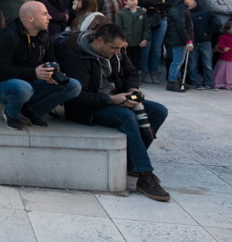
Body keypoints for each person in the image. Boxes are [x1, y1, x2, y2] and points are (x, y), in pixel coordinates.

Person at [60, 23, 170, 201]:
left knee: (159, 111)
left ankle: (133, 163)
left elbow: (131, 73)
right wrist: (111, 100)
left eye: (120, 48)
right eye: (114, 48)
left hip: (117, 98)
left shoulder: (117, 53)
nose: (118, 52)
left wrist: (132, 90)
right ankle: (144, 174)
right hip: (88, 108)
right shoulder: (77, 56)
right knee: (127, 116)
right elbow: (76, 98)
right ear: (100, 40)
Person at [0, 0, 82, 128]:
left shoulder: (44, 36)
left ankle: (32, 111)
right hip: (5, 85)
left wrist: (53, 74)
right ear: (30, 18)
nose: (50, 17)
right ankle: (12, 115)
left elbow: (50, 60)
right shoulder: (7, 37)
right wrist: (33, 73)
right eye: (44, 14)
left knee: (73, 85)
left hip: (32, 82)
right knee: (23, 87)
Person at [134, 0, 168, 83]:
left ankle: (154, 71)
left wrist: (153, 3)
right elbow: (141, 2)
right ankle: (145, 72)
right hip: (145, 18)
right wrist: (158, 1)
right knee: (146, 46)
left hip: (161, 17)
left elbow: (167, 3)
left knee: (157, 47)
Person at [164, 0, 196, 92]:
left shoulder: (180, 10)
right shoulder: (179, 11)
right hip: (179, 39)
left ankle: (178, 80)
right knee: (178, 61)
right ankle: (172, 81)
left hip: (177, 39)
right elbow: (181, 27)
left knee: (178, 61)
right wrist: (188, 40)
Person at [116, 0, 149, 69]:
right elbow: (119, 28)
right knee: (127, 60)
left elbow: (146, 26)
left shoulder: (142, 12)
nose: (134, 1)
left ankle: (136, 75)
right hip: (126, 42)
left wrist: (145, 39)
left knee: (137, 60)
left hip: (138, 41)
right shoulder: (121, 13)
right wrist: (122, 40)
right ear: (125, 1)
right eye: (131, 0)